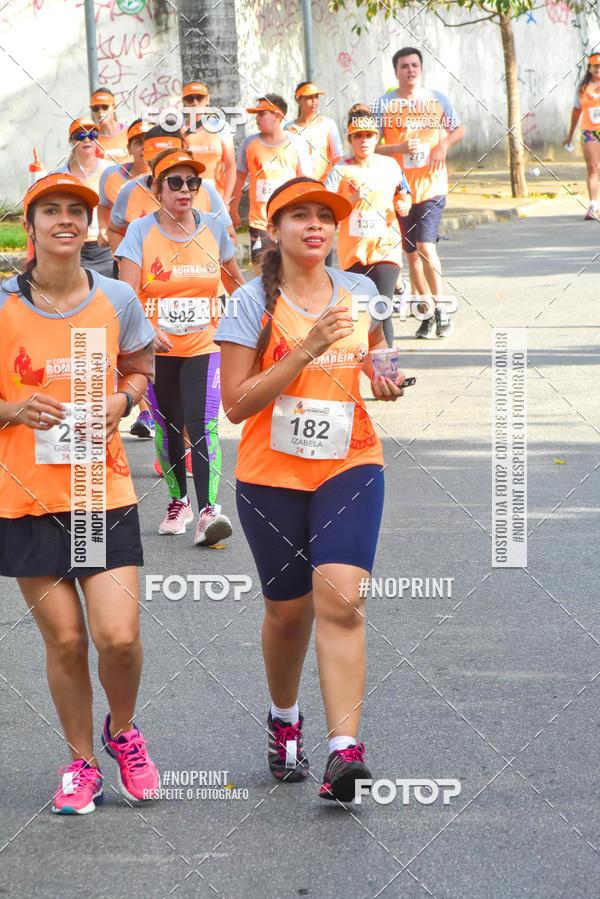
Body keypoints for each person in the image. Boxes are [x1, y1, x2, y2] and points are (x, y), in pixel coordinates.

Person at [215, 176, 408, 802]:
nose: (315, 226)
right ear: (276, 231)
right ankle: (283, 717)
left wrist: (386, 376)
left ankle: (343, 751)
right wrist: (304, 350)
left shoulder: (360, 291)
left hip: (350, 463)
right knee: (288, 610)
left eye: (324, 216)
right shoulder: (249, 302)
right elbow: (237, 405)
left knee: (343, 600)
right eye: (299, 216)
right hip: (271, 474)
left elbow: (378, 355)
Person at [0, 173, 158, 814]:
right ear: (30, 225)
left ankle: (121, 731)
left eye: (77, 210)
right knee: (65, 641)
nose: (64, 220)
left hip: (101, 489)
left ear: (90, 225)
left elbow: (142, 369)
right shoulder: (4, 306)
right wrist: (14, 408)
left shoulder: (117, 298)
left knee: (117, 637)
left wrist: (123, 399)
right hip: (27, 497)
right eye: (51, 211)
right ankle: (80, 762)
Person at [117, 149, 245, 545]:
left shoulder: (213, 228)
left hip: (204, 344)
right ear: (157, 189)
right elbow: (125, 293)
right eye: (175, 182)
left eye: (193, 182)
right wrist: (144, 331)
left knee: (201, 423)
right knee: (170, 426)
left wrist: (262, 325)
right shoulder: (140, 231)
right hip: (156, 348)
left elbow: (235, 281)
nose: (185, 190)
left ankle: (208, 511)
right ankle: (179, 502)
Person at [372, 46, 464, 338]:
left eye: (414, 65)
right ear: (396, 71)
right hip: (400, 189)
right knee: (411, 255)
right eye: (404, 66)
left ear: (421, 69)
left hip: (432, 186)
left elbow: (457, 130)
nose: (410, 70)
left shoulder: (437, 99)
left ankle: (442, 310)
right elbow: (370, 145)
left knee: (426, 248)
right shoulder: (384, 104)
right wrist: (397, 149)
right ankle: (426, 313)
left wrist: (442, 146)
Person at [326, 106, 411, 347]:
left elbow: (404, 194)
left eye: (369, 135)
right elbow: (326, 211)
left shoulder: (391, 166)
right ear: (350, 140)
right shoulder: (340, 170)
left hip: (385, 247)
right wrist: (352, 199)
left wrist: (404, 203)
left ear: (377, 138)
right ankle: (361, 362)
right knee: (361, 312)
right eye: (358, 136)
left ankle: (388, 369)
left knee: (382, 308)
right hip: (353, 252)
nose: (364, 140)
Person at [98, 119, 155, 438]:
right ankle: (144, 410)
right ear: (129, 146)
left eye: (149, 140)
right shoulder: (116, 179)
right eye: (137, 141)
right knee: (128, 344)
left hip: (164, 277)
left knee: (146, 346)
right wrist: (122, 253)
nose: (143, 146)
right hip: (125, 272)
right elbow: (108, 216)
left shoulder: (169, 183)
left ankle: (151, 414)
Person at [107, 125, 234, 255]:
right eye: (155, 162)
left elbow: (229, 236)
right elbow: (114, 230)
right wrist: (125, 262)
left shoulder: (204, 190)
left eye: (170, 164)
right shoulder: (130, 191)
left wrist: (206, 265)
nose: (162, 168)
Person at [230, 95, 309, 274]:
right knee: (261, 277)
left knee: (291, 274)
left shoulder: (295, 143)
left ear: (278, 115)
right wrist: (233, 210)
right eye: (255, 115)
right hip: (260, 224)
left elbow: (305, 183)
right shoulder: (250, 144)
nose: (256, 119)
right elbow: (239, 179)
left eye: (261, 114)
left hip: (289, 221)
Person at [55, 118, 114, 277]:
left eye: (92, 135)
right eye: (80, 136)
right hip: (72, 244)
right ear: (71, 141)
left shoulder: (112, 170)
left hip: (106, 245)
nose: (87, 139)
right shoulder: (59, 176)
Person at [182, 81, 237, 203]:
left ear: (207, 99)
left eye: (199, 98)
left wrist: (226, 200)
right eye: (190, 99)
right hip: (185, 197)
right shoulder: (178, 131)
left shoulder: (221, 127)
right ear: (184, 102)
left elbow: (230, 167)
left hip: (215, 197)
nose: (195, 103)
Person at [563, 51, 600, 220]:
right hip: (590, 132)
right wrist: (570, 135)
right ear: (590, 68)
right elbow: (576, 112)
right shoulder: (583, 88)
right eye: (595, 66)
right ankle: (593, 205)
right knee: (593, 167)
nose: (598, 69)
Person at [284, 81, 344, 181]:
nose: (314, 100)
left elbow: (338, 159)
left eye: (316, 97)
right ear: (298, 100)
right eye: (309, 97)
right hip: (299, 187)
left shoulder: (328, 124)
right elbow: (287, 160)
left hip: (324, 187)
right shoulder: (289, 128)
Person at [90, 88, 129, 165]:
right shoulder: (90, 138)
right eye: (95, 108)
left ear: (114, 108)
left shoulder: (130, 131)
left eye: (105, 107)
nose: (100, 111)